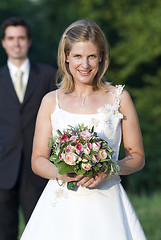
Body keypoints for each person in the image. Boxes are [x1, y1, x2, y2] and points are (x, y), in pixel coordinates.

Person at [20, 19, 147, 240]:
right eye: (78, 56)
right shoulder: (51, 101)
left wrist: (109, 169)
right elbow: (38, 160)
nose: (85, 65)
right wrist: (62, 174)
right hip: (60, 205)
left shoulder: (119, 98)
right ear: (66, 57)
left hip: (107, 204)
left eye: (91, 56)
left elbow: (137, 157)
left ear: (101, 56)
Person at [0, 17, 57, 240]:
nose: (16, 43)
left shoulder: (48, 75)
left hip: (38, 170)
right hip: (3, 168)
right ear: (4, 42)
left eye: (21, 38)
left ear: (29, 41)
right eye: (11, 38)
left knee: (41, 232)